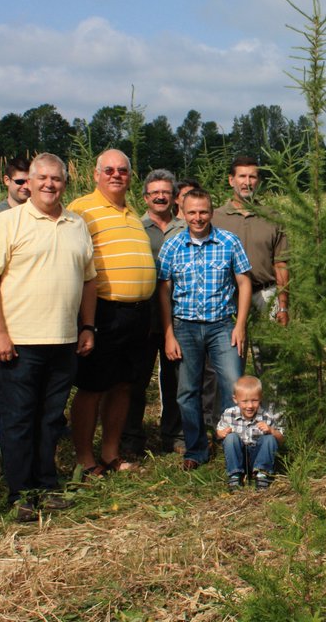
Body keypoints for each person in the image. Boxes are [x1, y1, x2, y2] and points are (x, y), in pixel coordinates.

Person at [0, 153, 97, 522]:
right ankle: (21, 493)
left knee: (50, 418)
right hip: (20, 341)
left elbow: (89, 279)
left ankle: (47, 485)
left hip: (63, 340)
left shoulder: (77, 224)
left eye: (56, 178)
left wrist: (87, 326)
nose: (49, 184)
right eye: (41, 178)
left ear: (65, 182)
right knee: (18, 419)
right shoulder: (7, 223)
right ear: (27, 182)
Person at [66, 150, 157, 476]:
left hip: (137, 314)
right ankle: (83, 458)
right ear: (95, 174)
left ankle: (110, 453)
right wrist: (85, 321)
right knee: (92, 387)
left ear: (130, 176)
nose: (116, 175)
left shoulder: (133, 213)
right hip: (104, 312)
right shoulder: (81, 209)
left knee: (123, 385)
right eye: (109, 170)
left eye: (122, 170)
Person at [157, 188, 252, 470]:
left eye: (203, 212)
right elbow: (164, 291)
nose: (198, 218)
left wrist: (240, 325)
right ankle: (196, 448)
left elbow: (244, 282)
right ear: (182, 213)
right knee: (187, 391)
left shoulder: (228, 241)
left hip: (222, 325)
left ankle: (235, 445)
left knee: (233, 385)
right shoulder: (172, 246)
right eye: (192, 212)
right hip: (185, 327)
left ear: (211, 212)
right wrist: (168, 333)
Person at [121, 169, 188, 456]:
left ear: (174, 197)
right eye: (154, 193)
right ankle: (131, 439)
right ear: (145, 197)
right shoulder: (134, 228)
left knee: (175, 379)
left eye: (166, 192)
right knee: (136, 380)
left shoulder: (186, 228)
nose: (160, 196)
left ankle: (173, 434)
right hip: (143, 317)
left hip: (179, 316)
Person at [212, 156, 289, 372]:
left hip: (266, 294)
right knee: (230, 360)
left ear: (259, 181)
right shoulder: (216, 218)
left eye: (252, 177)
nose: (247, 182)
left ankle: (274, 406)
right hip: (228, 296)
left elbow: (281, 263)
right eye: (242, 176)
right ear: (231, 180)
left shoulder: (272, 217)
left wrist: (282, 304)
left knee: (270, 362)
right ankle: (232, 405)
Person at [216, 375, 285, 491]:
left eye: (254, 400)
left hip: (258, 456)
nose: (250, 406)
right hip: (238, 455)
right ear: (235, 399)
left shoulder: (266, 417)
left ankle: (262, 473)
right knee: (231, 438)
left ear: (260, 398)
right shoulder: (229, 414)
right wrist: (221, 433)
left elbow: (281, 439)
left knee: (269, 438)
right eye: (244, 401)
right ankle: (235, 475)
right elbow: (218, 433)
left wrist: (271, 430)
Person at [0, 156, 31, 235]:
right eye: (20, 182)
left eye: (29, 181)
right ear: (7, 180)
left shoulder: (39, 212)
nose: (26, 186)